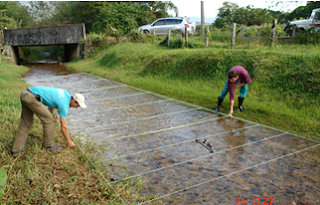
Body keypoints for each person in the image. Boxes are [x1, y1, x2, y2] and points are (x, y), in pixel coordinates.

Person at [11, 86, 87, 158]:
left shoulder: (65, 94)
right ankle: (48, 145)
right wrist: (69, 141)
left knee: (26, 123)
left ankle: (16, 149)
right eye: (78, 105)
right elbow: (64, 126)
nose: (77, 107)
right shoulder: (64, 104)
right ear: (74, 100)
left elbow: (52, 99)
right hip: (32, 98)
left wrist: (50, 112)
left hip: (25, 94)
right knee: (50, 120)